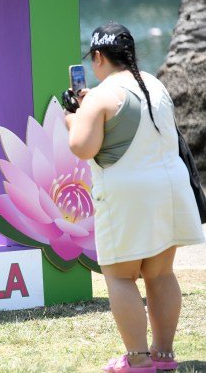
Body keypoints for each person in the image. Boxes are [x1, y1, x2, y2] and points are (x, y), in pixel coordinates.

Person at [65, 22, 205, 372]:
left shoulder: (100, 95)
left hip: (127, 195)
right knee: (160, 274)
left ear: (98, 57)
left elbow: (83, 147)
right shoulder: (155, 85)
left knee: (120, 276)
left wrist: (74, 118)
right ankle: (164, 356)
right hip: (169, 189)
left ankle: (138, 360)